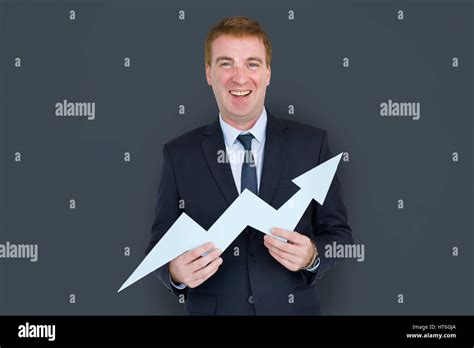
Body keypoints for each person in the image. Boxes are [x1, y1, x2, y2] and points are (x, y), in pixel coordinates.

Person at [145, 16, 353, 315]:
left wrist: (313, 255)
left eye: (252, 64)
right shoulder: (179, 154)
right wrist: (176, 274)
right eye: (226, 63)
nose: (239, 78)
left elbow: (340, 235)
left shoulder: (311, 144)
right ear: (209, 73)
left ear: (267, 73)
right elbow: (159, 246)